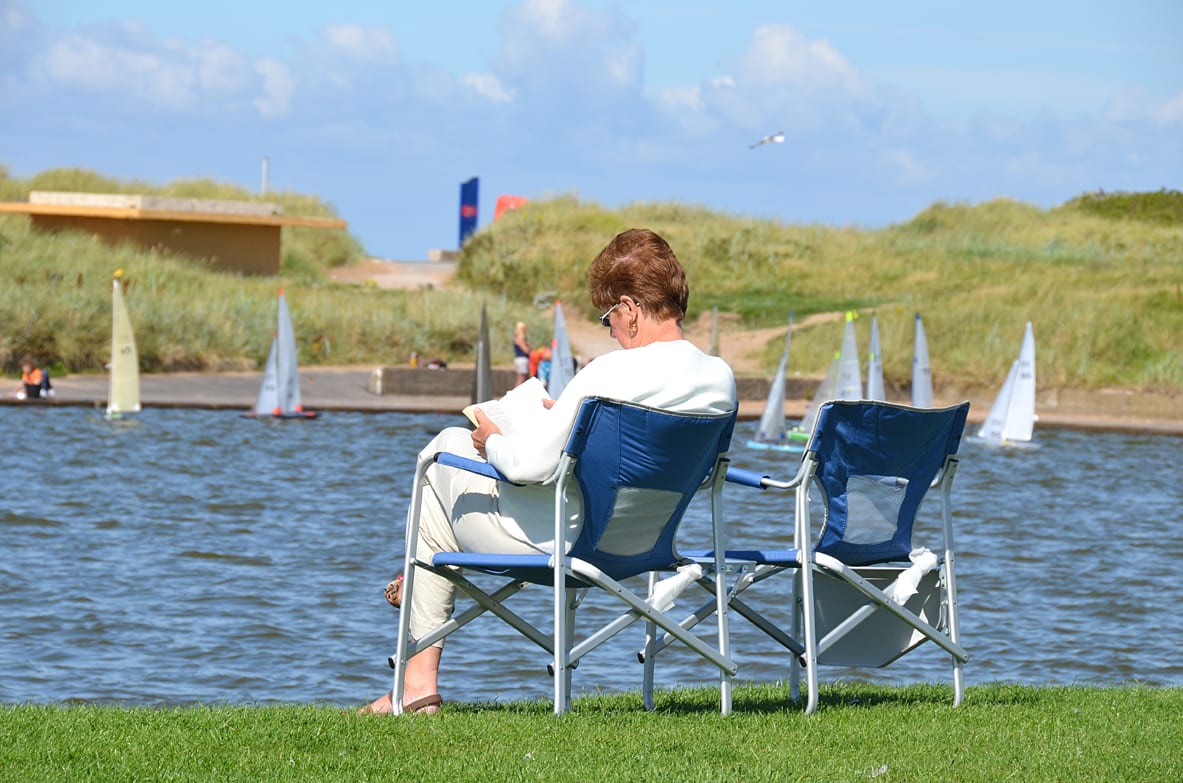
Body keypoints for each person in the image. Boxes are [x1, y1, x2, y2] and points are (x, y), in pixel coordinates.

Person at [361, 228, 737, 715]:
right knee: (460, 470)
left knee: (441, 456)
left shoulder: (609, 374)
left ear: (631, 309)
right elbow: (701, 474)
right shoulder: (720, 380)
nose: (610, 331)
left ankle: (416, 687)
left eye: (609, 317)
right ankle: (414, 633)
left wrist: (490, 437)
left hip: (566, 544)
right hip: (647, 546)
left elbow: (524, 467)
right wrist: (571, 422)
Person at [512, 322, 531, 386]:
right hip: (522, 359)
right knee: (521, 378)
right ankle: (515, 393)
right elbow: (526, 350)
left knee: (525, 378)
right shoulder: (520, 338)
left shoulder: (519, 338)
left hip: (521, 359)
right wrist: (529, 346)